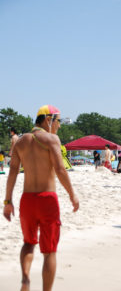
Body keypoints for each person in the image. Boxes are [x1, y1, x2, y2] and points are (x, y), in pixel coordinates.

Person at [3, 105, 79, 291]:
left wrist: (7, 201)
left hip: (27, 200)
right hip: (47, 200)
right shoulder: (51, 139)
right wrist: (72, 194)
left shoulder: (20, 142)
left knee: (28, 243)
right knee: (49, 251)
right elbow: (60, 170)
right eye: (58, 121)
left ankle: (26, 280)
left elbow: (12, 172)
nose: (59, 125)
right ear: (48, 119)